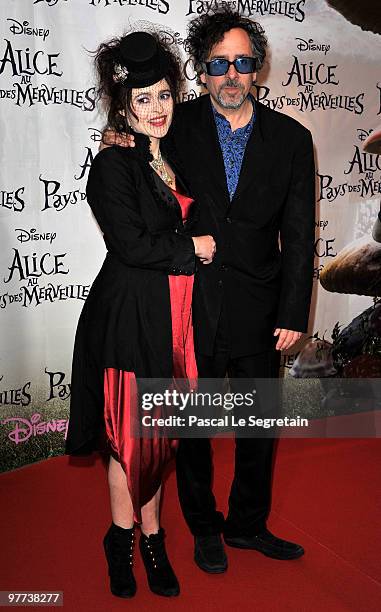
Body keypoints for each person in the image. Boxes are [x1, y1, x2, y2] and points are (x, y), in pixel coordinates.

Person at [107, 7, 316, 575]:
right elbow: (139, 156)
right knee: (192, 431)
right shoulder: (175, 124)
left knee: (257, 428)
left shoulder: (294, 140)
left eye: (243, 62)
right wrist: (120, 136)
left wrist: (294, 310)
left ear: (258, 69)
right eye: (219, 63)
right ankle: (204, 526)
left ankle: (248, 524)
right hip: (190, 305)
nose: (231, 74)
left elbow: (298, 237)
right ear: (201, 69)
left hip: (262, 306)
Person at [64, 31, 216, 598]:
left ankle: (153, 538)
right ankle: (124, 541)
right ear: (123, 104)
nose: (157, 108)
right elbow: (130, 245)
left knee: (160, 439)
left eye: (164, 95)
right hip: (130, 316)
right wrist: (193, 249)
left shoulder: (172, 153)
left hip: (175, 320)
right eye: (143, 99)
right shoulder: (112, 166)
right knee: (131, 440)